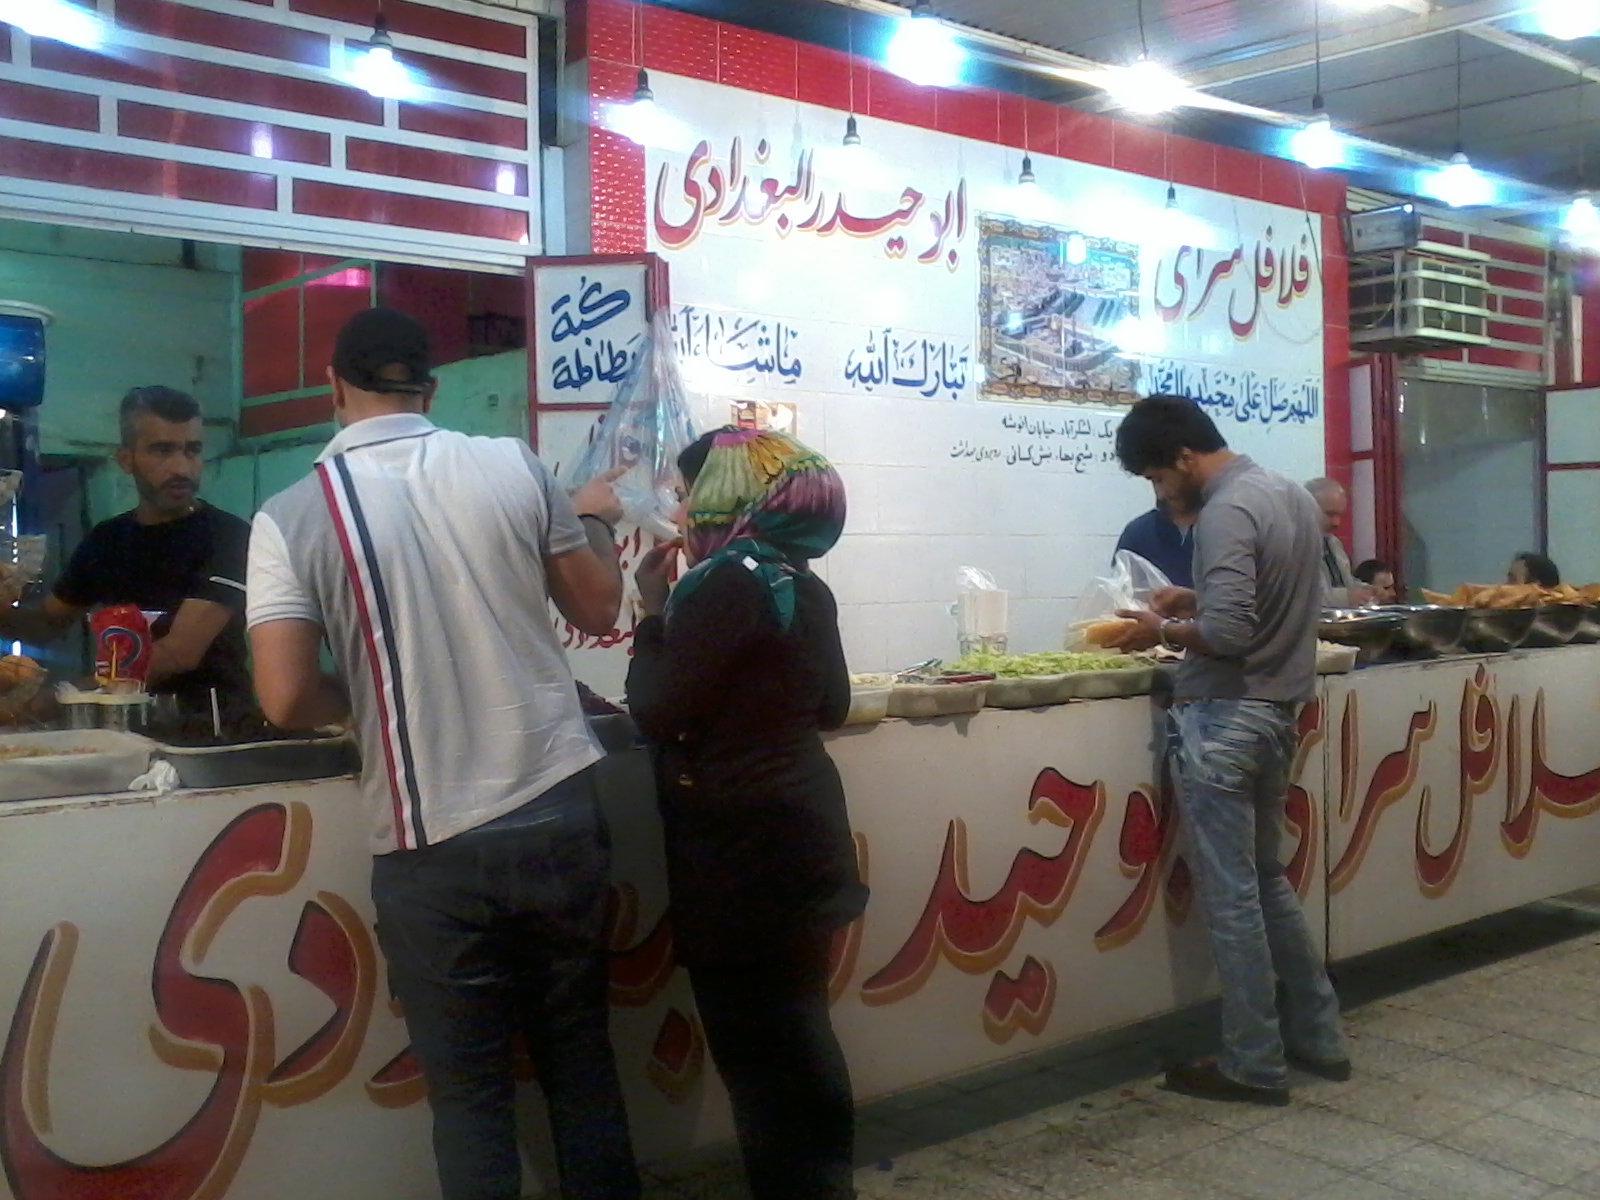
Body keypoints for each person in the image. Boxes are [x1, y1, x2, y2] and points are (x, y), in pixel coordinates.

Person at [246, 308, 640, 1200]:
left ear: (333, 386)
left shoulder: (291, 515)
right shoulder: (513, 465)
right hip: (558, 812)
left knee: (470, 1102)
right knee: (582, 1065)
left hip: (432, 847)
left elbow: (285, 695)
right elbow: (595, 608)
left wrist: (374, 698)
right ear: (430, 387)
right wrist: (594, 520)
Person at [627, 427, 865, 1200]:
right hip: (804, 834)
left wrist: (651, 615)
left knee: (755, 1054)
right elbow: (832, 705)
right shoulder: (801, 581)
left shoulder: (722, 585)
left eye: (688, 492)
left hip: (738, 852)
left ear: (725, 497)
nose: (679, 509)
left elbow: (658, 709)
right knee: (801, 1030)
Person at [1109, 395, 1348, 1107]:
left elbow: (1230, 634)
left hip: (1223, 718)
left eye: (1157, 477)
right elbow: (1277, 604)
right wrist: (1194, 600)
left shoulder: (1222, 510)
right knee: (1268, 881)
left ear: (1183, 458)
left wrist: (1159, 628)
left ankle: (1253, 1062)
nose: (1160, 494)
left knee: (1232, 896)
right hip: (1279, 713)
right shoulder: (1288, 494)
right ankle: (1321, 1036)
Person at [0, 385, 254, 724]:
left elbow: (178, 654)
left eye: (192, 450)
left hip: (213, 731)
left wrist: (63, 698)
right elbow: (45, 623)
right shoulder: (107, 540)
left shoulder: (228, 535)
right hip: (123, 732)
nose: (182, 468)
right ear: (125, 459)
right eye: (162, 450)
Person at [1304, 478, 1371, 607]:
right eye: (1329, 514)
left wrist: (1367, 590)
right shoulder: (1290, 546)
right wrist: (1345, 597)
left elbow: (1345, 582)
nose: (1336, 523)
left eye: (1339, 515)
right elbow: (1298, 596)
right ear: (1306, 507)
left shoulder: (1334, 543)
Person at [1114, 484, 1196, 588]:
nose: (1161, 491)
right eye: (1155, 480)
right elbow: (1121, 588)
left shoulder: (1212, 527)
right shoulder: (1138, 531)